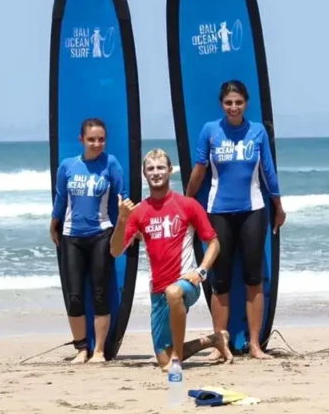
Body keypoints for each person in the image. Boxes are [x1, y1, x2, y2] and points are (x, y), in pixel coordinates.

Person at [184, 80, 286, 360]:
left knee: (253, 280)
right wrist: (186, 202)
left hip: (253, 210)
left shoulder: (257, 131)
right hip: (218, 213)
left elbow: (267, 171)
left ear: (246, 103)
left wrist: (278, 205)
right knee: (221, 281)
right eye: (228, 102)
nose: (233, 107)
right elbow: (200, 170)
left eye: (238, 102)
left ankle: (254, 345)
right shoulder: (210, 131)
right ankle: (220, 345)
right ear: (222, 104)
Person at [110, 149, 233, 371]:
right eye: (150, 169)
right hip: (158, 291)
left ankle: (177, 356)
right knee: (162, 359)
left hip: (186, 283)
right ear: (144, 174)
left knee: (174, 293)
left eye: (160, 168)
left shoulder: (187, 205)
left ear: (170, 170)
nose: (156, 173)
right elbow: (115, 250)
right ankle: (212, 340)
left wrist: (201, 271)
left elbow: (214, 243)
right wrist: (121, 220)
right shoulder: (139, 212)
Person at [50, 118, 125, 364]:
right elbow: (61, 199)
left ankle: (100, 350)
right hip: (71, 236)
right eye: (91, 139)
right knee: (74, 296)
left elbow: (122, 201)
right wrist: (53, 223)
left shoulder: (111, 164)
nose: (96, 144)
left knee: (100, 294)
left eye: (101, 139)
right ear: (81, 140)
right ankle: (81, 348)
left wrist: (129, 229)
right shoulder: (68, 166)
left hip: (101, 234)